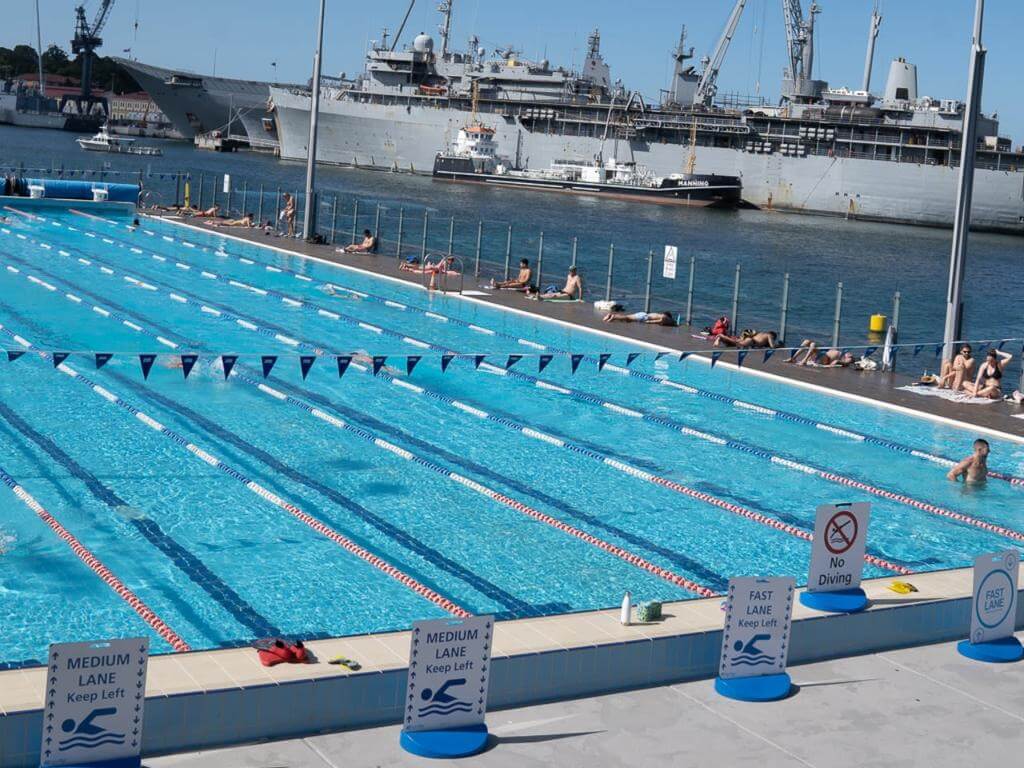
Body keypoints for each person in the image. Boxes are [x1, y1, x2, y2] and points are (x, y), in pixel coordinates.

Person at [785, 339, 855, 367]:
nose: (850, 354)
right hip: (822, 353)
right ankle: (793, 358)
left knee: (813, 345)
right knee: (807, 341)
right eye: (849, 354)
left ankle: (804, 361)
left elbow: (842, 363)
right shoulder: (843, 353)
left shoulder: (849, 359)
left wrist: (838, 362)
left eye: (850, 355)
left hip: (825, 359)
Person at [713, 329, 779, 348]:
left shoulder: (762, 333)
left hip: (750, 339)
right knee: (737, 344)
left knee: (732, 345)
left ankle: (721, 339)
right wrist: (779, 345)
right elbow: (772, 346)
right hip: (751, 341)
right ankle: (721, 336)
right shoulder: (770, 335)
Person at [603, 310, 677, 326]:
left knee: (627, 319)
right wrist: (649, 322)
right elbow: (660, 321)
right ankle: (613, 316)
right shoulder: (664, 317)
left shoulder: (659, 314)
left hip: (643, 314)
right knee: (627, 318)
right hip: (644, 317)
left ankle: (612, 316)